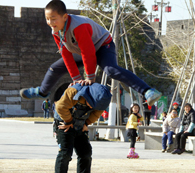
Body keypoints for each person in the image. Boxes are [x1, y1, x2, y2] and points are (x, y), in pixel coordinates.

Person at [19, 0, 162, 107]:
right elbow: (66, 54)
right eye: (47, 19)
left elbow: (88, 53)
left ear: (65, 17)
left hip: (102, 46)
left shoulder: (78, 26)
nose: (50, 22)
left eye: (53, 18)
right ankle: (42, 92)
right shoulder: (56, 30)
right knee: (55, 68)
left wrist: (90, 77)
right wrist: (76, 78)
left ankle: (147, 91)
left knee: (110, 70)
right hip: (80, 51)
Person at [53, 83, 112, 173]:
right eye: (92, 103)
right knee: (65, 153)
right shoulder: (73, 92)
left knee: (86, 152)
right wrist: (69, 121)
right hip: (63, 123)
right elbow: (60, 107)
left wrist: (87, 123)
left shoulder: (102, 100)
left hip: (81, 125)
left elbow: (96, 113)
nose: (91, 107)